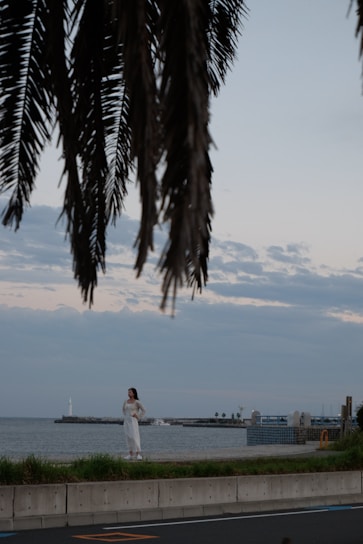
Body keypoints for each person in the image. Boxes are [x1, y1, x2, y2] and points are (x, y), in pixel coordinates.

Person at [122, 387, 146, 460]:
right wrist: (126, 416)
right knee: (128, 437)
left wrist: (137, 416)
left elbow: (144, 410)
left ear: (134, 393)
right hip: (126, 421)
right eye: (128, 392)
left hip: (133, 421)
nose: (128, 393)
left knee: (134, 436)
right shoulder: (125, 401)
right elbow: (123, 410)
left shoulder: (137, 402)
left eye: (130, 392)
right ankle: (131, 454)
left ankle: (138, 454)